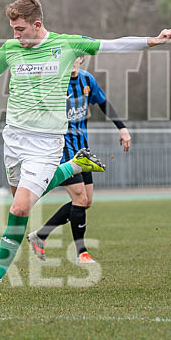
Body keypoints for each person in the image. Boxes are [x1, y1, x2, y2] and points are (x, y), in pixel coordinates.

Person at [0, 0, 171, 295]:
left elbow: (113, 45)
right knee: (19, 204)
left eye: (20, 29)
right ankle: (72, 167)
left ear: (37, 25)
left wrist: (153, 41)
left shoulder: (67, 45)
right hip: (13, 140)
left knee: (20, 208)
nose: (15, 35)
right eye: (12, 29)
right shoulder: (10, 49)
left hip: (47, 143)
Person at [27, 55, 131, 264]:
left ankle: (41, 235)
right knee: (80, 199)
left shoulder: (86, 80)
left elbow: (104, 103)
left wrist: (122, 128)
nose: (72, 60)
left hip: (83, 151)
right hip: (62, 151)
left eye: (76, 56)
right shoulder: (55, 82)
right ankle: (81, 253)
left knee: (86, 202)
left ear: (82, 58)